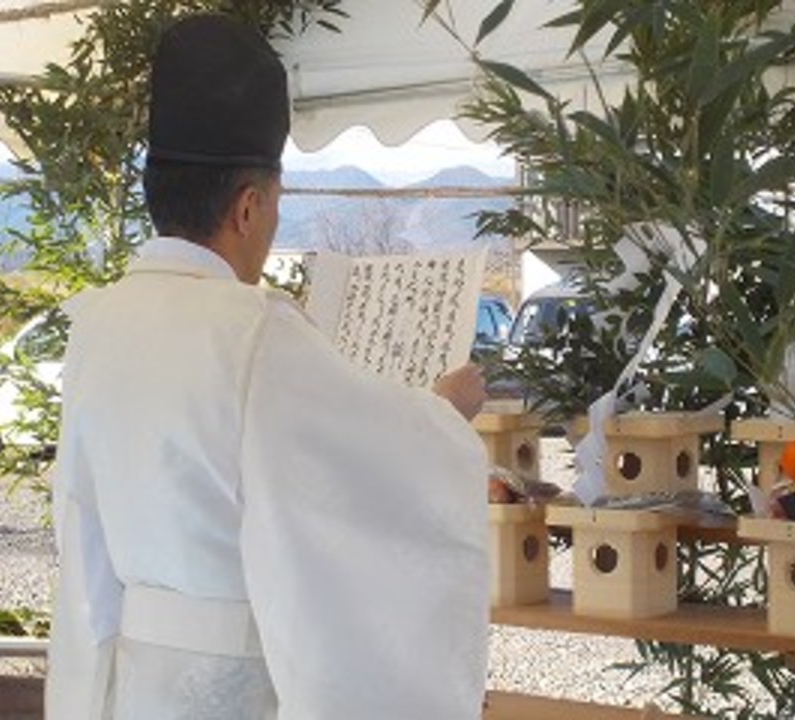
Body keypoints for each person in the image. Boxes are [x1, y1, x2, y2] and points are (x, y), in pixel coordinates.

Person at [45, 14, 489, 720]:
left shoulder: (97, 324)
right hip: (234, 686)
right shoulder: (251, 332)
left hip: (134, 679)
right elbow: (365, 473)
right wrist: (442, 414)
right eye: (277, 205)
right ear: (249, 208)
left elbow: (82, 540)